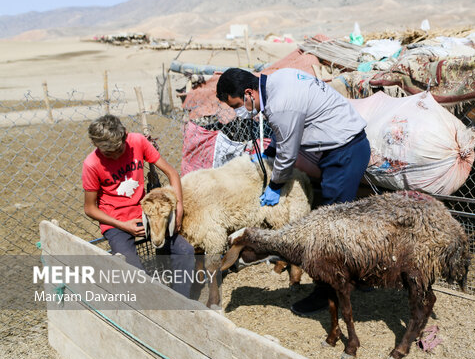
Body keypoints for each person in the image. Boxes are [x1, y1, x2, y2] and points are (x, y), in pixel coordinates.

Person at [216, 67, 371, 315]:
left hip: (345, 153)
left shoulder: (280, 105)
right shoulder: (278, 79)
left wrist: (275, 186)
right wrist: (268, 154)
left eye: (239, 105)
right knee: (344, 223)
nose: (241, 111)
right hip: (342, 145)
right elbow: (286, 130)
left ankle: (327, 291)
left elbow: (287, 153)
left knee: (330, 229)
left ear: (248, 93)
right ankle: (361, 276)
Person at [82, 115, 195, 298]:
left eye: (119, 150)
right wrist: (123, 226)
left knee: (185, 251)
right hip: (116, 222)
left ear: (125, 135)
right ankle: (145, 309)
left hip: (146, 214)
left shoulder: (137, 141)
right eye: (109, 154)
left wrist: (178, 209)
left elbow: (172, 173)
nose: (116, 156)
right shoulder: (91, 164)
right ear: (97, 147)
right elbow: (89, 208)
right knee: (134, 273)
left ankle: (180, 302)